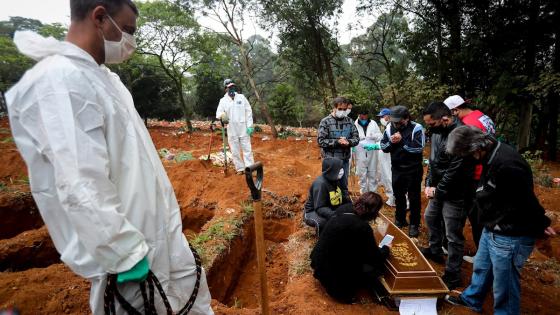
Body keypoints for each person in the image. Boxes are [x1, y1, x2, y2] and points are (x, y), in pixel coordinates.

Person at [5, 1, 214, 314]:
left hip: (160, 238)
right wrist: (124, 253)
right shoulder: (60, 81)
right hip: (131, 257)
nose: (130, 41)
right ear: (99, 17)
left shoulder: (106, 80)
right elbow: (80, 184)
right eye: (127, 30)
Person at [444, 126, 556, 314]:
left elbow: (526, 201)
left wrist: (541, 225)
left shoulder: (507, 164)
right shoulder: (491, 154)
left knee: (505, 284)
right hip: (493, 225)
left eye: (465, 155)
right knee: (482, 267)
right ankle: (472, 300)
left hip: (510, 233)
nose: (465, 160)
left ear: (474, 149)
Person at [419, 102, 475, 289]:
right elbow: (433, 161)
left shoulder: (462, 135)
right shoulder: (437, 132)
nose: (429, 127)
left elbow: (455, 170)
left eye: (431, 123)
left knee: (453, 234)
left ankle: (452, 274)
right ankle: (435, 249)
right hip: (438, 187)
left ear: (445, 118)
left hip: (457, 192)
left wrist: (438, 189)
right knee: (430, 216)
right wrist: (428, 184)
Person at [310, 192, 391, 304]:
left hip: (318, 262)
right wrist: (385, 248)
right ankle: (343, 290)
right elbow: (374, 258)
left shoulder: (344, 208)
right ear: (374, 212)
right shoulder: (362, 227)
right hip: (332, 277)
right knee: (375, 270)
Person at [444, 94, 495, 259]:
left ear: (456, 110)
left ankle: (481, 254)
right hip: (487, 169)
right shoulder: (482, 116)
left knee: (475, 214)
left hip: (476, 173)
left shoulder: (468, 124)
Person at [380, 105, 425, 237]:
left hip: (413, 169)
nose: (396, 124)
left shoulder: (417, 128)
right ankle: (400, 219)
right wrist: (392, 142)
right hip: (397, 167)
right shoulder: (389, 127)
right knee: (398, 195)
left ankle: (414, 224)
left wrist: (401, 142)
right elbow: (383, 147)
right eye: (394, 121)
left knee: (414, 197)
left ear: (406, 118)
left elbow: (418, 148)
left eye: (399, 122)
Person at [317, 97, 359, 195]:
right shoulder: (325, 122)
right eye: (340, 109)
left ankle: (343, 207)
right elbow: (320, 141)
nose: (343, 111)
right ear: (334, 108)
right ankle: (327, 207)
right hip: (330, 161)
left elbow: (356, 138)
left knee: (344, 185)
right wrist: (337, 142)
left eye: (345, 109)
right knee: (329, 186)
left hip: (344, 160)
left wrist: (348, 142)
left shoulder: (350, 121)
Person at [216, 79, 255, 175]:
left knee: (247, 149)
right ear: (226, 89)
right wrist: (222, 116)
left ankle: (250, 168)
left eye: (233, 86)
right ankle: (240, 169)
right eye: (229, 87)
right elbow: (218, 113)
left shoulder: (241, 97)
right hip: (232, 129)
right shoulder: (223, 101)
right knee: (235, 150)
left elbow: (248, 111)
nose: (231, 89)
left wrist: (250, 126)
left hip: (243, 128)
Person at [303, 158, 351, 234]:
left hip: (331, 207)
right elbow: (320, 208)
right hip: (313, 211)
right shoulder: (320, 184)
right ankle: (321, 238)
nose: (342, 170)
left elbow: (342, 197)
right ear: (331, 170)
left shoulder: (335, 179)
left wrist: (350, 207)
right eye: (340, 168)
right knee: (325, 222)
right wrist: (335, 215)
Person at [354, 111, 382, 194]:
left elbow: (380, 136)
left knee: (372, 173)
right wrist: (358, 139)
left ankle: (373, 194)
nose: (364, 116)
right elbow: (351, 138)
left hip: (372, 150)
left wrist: (374, 136)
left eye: (365, 114)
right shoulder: (354, 124)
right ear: (359, 114)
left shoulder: (373, 123)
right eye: (362, 114)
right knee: (362, 174)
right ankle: (364, 194)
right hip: (360, 151)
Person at [376, 108, 395, 206]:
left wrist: (378, 146)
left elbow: (390, 143)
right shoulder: (388, 126)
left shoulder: (392, 126)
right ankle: (392, 199)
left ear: (388, 116)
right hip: (386, 156)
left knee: (389, 177)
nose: (381, 119)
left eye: (382, 116)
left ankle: (394, 200)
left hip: (389, 156)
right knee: (387, 177)